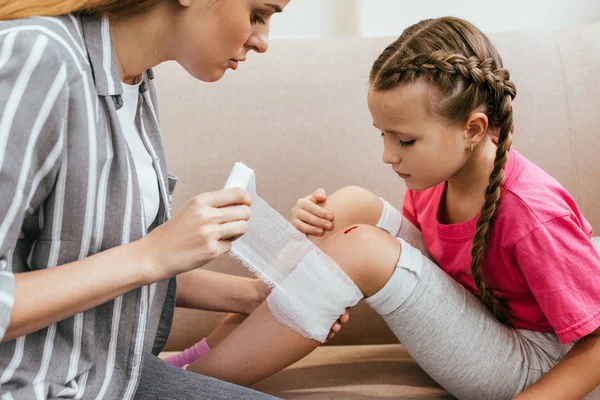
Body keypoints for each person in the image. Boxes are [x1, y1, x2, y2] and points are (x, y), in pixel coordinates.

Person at [175, 17, 600, 400]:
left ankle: (181, 386)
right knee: (348, 206)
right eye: (383, 135)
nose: (387, 156)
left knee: (361, 249)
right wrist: (317, 240)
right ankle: (198, 356)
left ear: (473, 129)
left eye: (404, 141)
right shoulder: (437, 180)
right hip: (484, 320)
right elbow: (424, 267)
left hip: (536, 365)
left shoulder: (534, 213)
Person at [0, 1, 353, 399]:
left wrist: (255, 297)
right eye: (257, 14)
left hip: (111, 375)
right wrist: (153, 252)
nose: (263, 42)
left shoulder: (134, 81)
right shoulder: (38, 57)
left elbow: (89, 260)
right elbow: (141, 259)